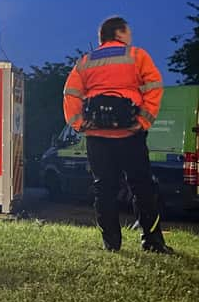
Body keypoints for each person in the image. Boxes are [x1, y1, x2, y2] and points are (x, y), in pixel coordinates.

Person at [63, 16, 173, 253]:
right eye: (129, 32)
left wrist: (80, 124)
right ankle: (152, 241)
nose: (131, 36)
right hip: (130, 134)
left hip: (97, 137)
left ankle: (111, 244)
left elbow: (70, 93)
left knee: (104, 189)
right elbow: (154, 86)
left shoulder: (85, 61)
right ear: (120, 33)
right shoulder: (136, 55)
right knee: (142, 187)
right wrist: (143, 120)